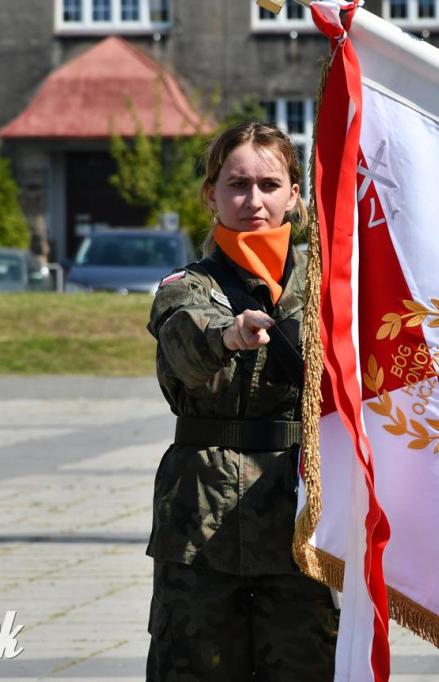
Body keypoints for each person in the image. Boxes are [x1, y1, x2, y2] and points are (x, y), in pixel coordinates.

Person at [145, 121, 338, 681]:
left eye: (270, 185)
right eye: (236, 184)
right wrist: (228, 335)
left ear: (295, 195)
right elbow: (185, 337)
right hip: (201, 523)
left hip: (303, 519)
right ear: (211, 194)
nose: (253, 200)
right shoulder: (186, 284)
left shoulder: (331, 285)